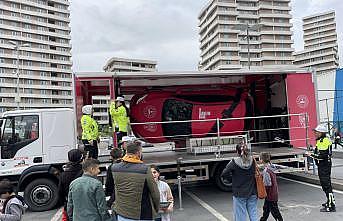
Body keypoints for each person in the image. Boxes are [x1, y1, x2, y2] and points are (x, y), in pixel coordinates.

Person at [112, 141, 160, 221]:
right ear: (138, 153)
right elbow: (155, 193)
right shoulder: (144, 169)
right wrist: (156, 209)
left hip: (122, 213)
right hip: (143, 214)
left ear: (126, 151)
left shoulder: (114, 168)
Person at [221, 143, 258, 221]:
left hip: (239, 192)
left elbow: (224, 173)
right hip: (252, 191)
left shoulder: (234, 162)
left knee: (240, 216)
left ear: (237, 151)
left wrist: (231, 180)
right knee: (253, 213)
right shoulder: (253, 160)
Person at [306, 124, 336, 212]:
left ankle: (331, 206)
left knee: (326, 185)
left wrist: (310, 154)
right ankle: (329, 201)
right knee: (325, 185)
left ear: (321, 133)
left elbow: (321, 156)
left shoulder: (324, 141)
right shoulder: (321, 140)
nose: (315, 133)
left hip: (324, 165)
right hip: (323, 165)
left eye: (316, 132)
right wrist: (312, 152)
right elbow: (320, 153)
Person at [58, 149, 84, 221]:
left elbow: (60, 193)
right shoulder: (85, 172)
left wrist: (65, 203)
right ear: (81, 159)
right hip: (85, 204)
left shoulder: (63, 175)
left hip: (70, 205)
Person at [259, 152, 283, 221]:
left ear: (261, 160)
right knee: (266, 210)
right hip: (273, 193)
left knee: (275, 212)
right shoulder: (271, 167)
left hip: (270, 195)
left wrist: (262, 192)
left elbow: (267, 185)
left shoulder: (266, 172)